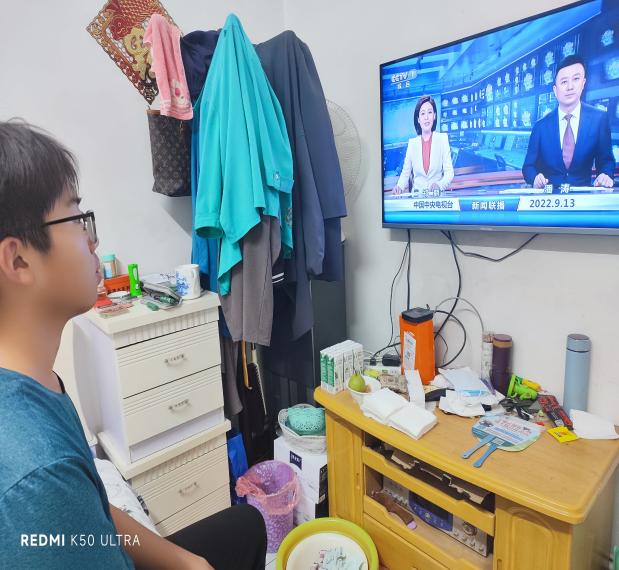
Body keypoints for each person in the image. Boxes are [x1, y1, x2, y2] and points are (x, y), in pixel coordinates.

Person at [0, 120, 267, 570]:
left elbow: (93, 516)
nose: (93, 239)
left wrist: (186, 562)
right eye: (76, 218)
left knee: (246, 525)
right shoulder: (37, 477)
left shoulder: (37, 378)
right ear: (18, 259)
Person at [522, 54, 615, 191]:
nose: (570, 87)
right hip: (549, 199)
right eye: (564, 82)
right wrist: (535, 178)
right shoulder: (540, 126)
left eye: (576, 79)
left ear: (583, 83)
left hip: (583, 198)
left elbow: (606, 161)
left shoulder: (599, 119)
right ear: (555, 90)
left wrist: (605, 175)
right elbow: (528, 167)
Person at [392, 95, 454, 194]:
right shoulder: (412, 144)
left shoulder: (442, 139)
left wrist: (439, 184)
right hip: (417, 198)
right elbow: (405, 173)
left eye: (429, 112)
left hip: (436, 197)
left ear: (434, 116)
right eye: (422, 113)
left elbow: (449, 172)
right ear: (418, 119)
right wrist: (399, 186)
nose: (426, 117)